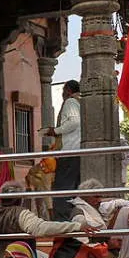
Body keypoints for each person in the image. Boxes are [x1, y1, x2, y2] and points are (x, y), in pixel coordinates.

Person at [43, 80, 81, 220]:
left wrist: (55, 131)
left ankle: (63, 222)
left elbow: (74, 122)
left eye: (64, 90)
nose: (63, 94)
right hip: (77, 151)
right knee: (73, 189)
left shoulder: (71, 102)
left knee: (62, 189)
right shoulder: (81, 102)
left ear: (69, 90)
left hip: (69, 151)